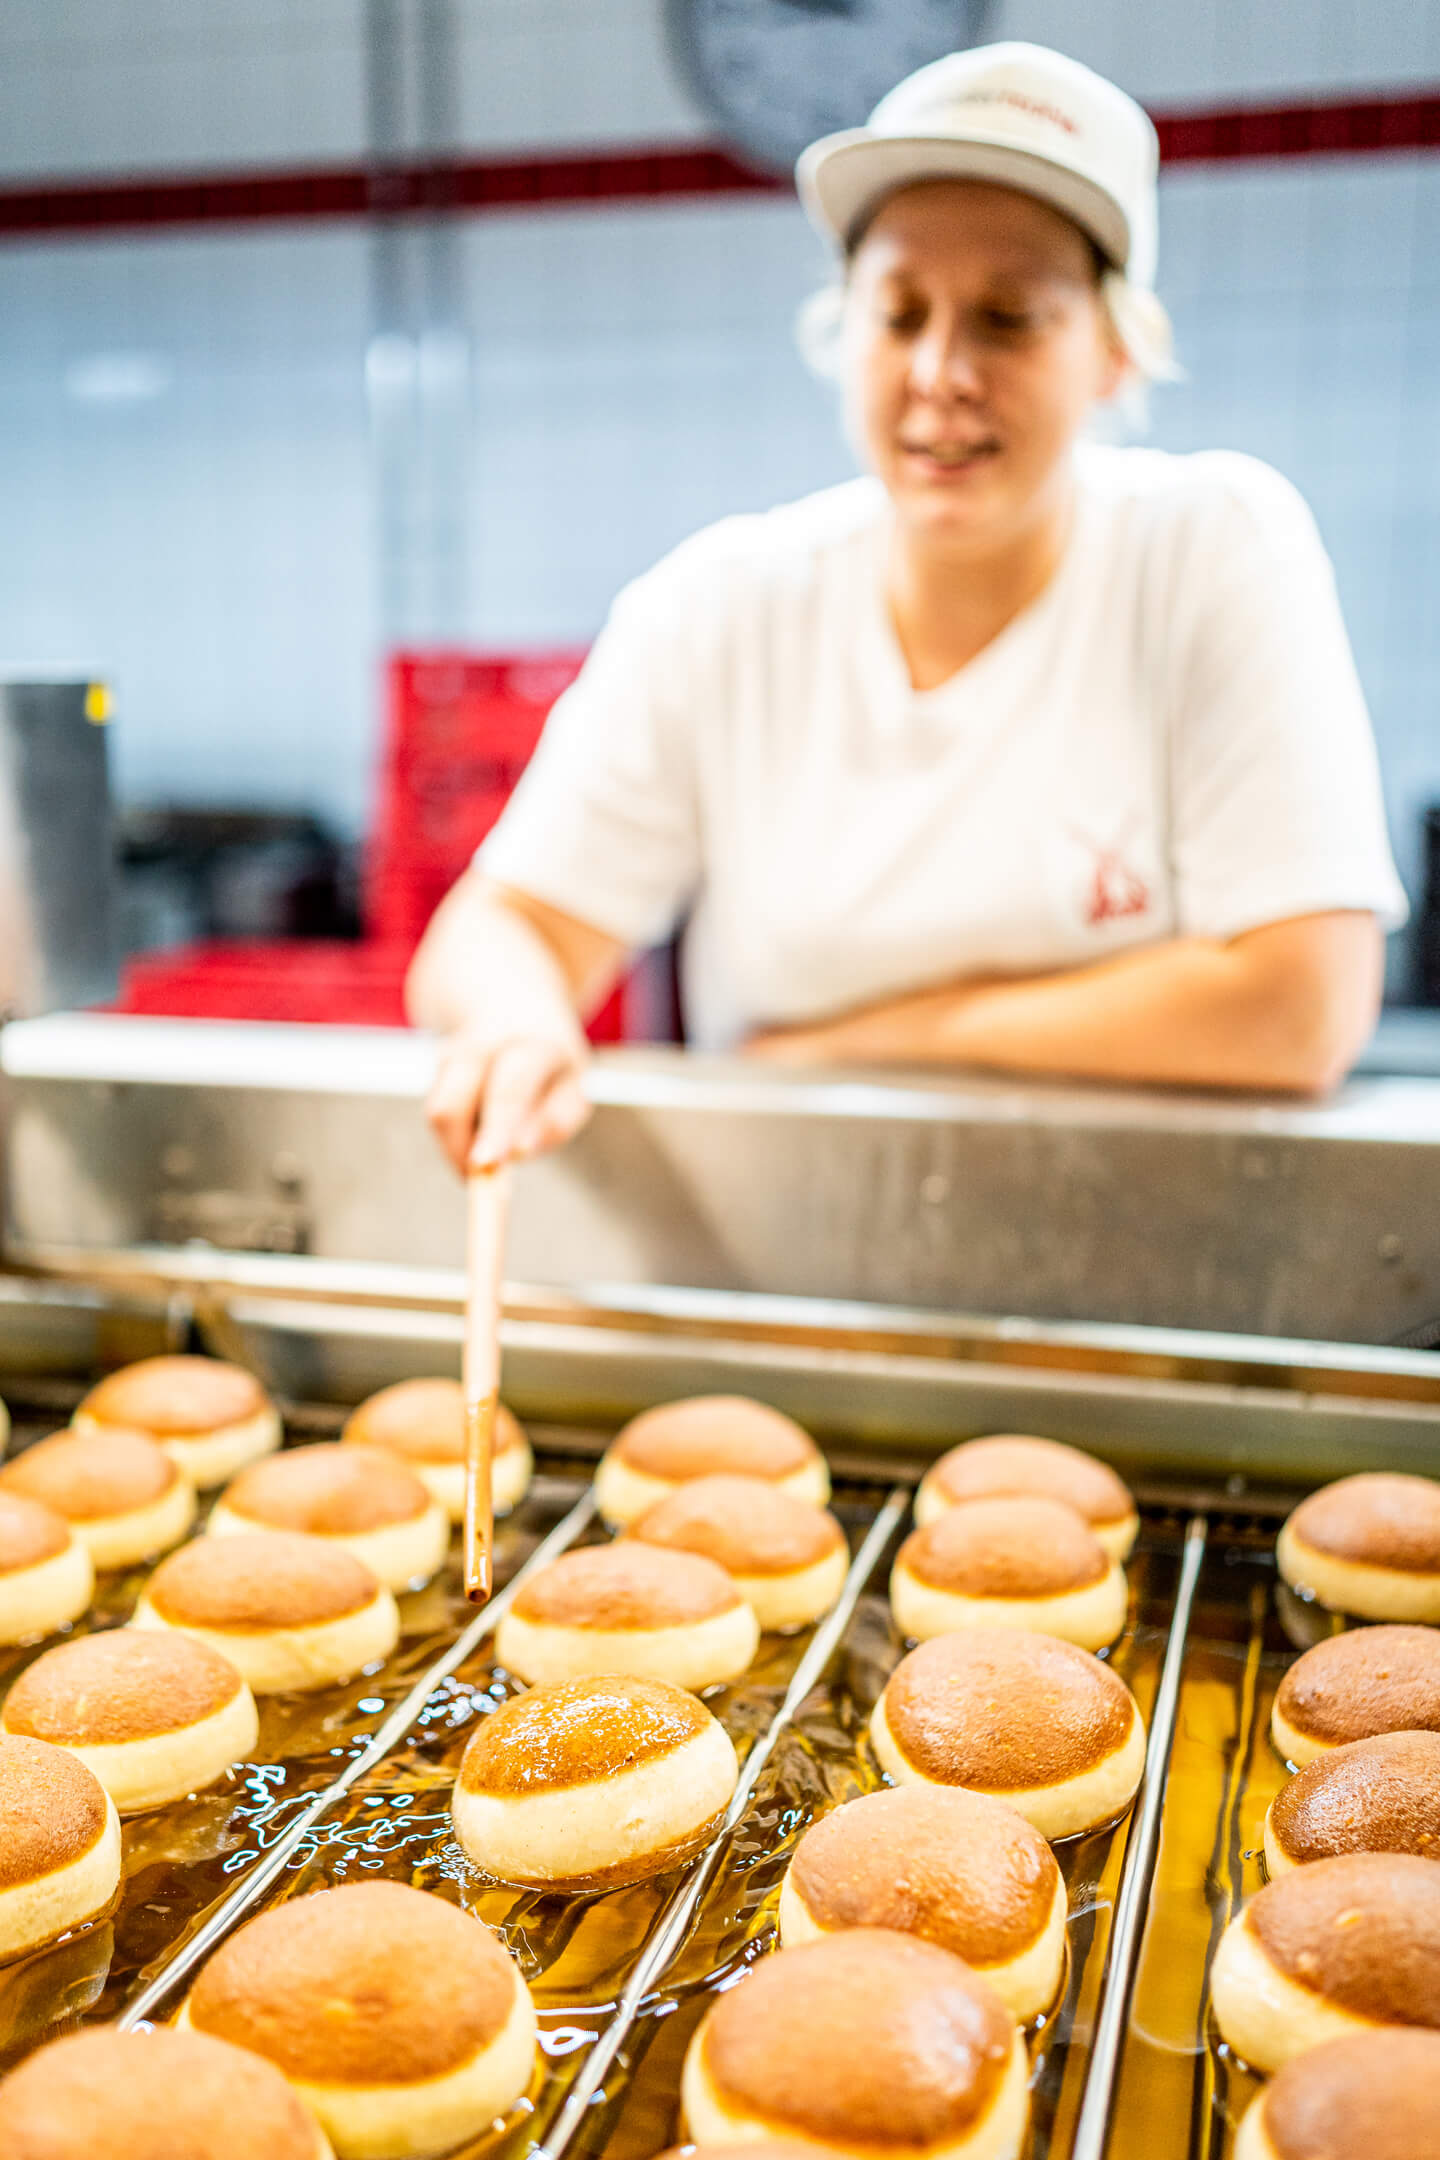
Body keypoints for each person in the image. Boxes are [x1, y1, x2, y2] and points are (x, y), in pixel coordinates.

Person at [408, 41, 1406, 1177]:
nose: (941, 372)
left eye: (1008, 317)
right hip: (790, 1250)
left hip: (1145, 1251)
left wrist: (859, 1048)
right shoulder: (719, 608)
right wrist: (516, 1024)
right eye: (898, 313)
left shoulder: (1207, 550)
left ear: (1113, 353)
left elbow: (1298, 1008)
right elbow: (501, 931)